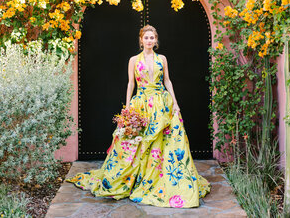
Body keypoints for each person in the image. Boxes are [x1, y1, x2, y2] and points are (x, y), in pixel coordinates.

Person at [66, 25, 211, 208]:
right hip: (141, 104)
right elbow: (130, 84)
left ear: (156, 40)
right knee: (135, 143)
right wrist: (127, 108)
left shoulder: (162, 59)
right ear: (141, 40)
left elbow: (167, 80)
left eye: (152, 38)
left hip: (161, 104)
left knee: (166, 142)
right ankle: (135, 179)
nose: (149, 40)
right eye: (146, 37)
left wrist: (175, 102)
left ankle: (160, 179)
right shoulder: (134, 60)